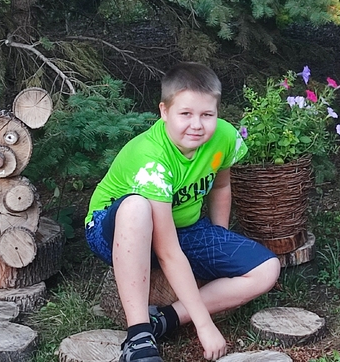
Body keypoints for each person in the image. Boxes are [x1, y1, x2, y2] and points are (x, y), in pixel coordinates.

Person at [85, 62, 281, 362]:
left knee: (267, 269)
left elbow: (220, 186)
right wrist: (205, 325)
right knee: (137, 207)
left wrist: (218, 236)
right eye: (185, 114)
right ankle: (138, 335)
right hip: (115, 230)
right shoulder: (151, 158)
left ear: (217, 112)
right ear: (164, 112)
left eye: (207, 115)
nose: (197, 125)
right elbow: (167, 252)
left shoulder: (223, 137)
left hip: (184, 227)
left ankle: (165, 319)